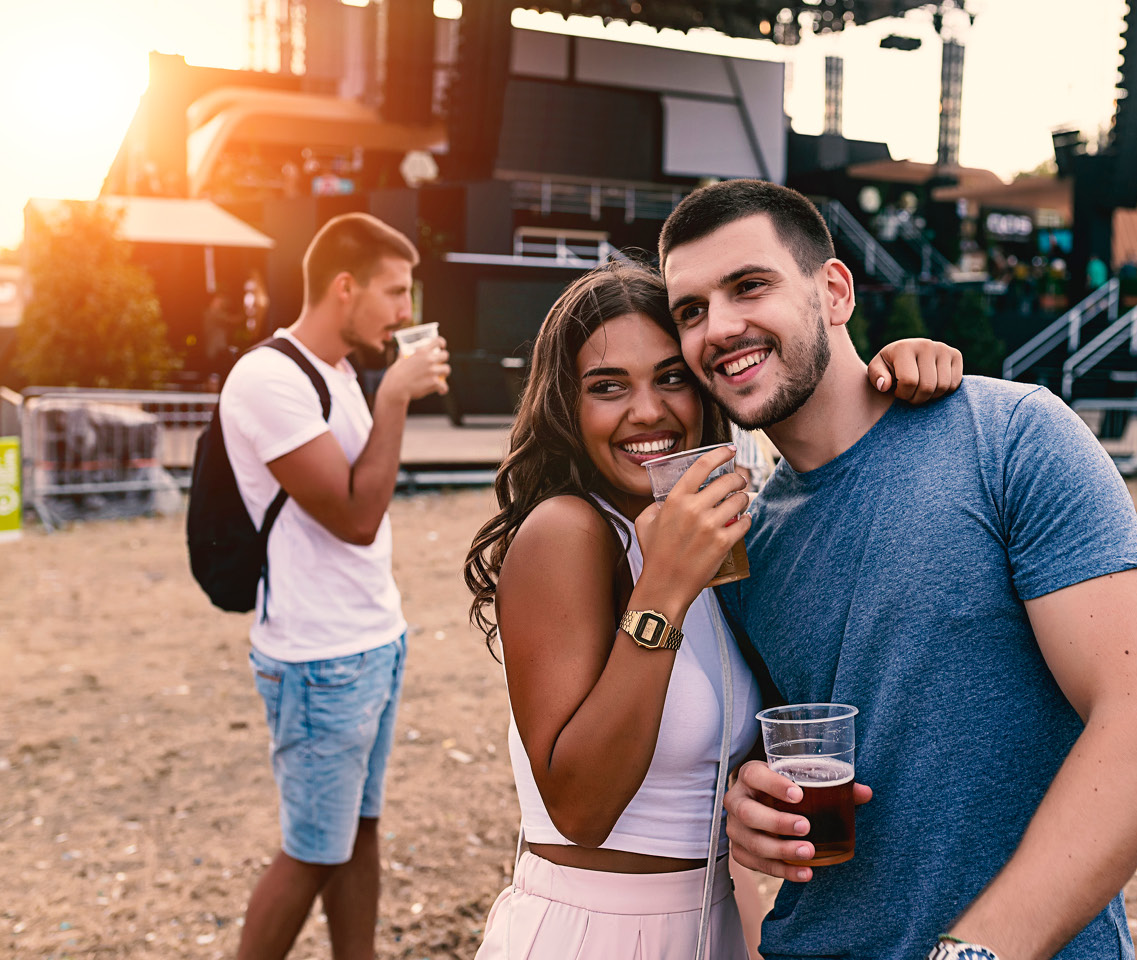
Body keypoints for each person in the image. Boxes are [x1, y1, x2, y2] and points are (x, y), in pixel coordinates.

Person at [658, 179, 1137, 960]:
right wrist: (750, 804)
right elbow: (783, 744)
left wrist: (970, 953)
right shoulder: (740, 549)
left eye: (749, 286)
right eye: (691, 311)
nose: (720, 328)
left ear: (833, 290)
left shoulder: (1012, 436)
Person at [463, 260, 962, 960]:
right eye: (608, 388)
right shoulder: (569, 531)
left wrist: (892, 372)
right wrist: (662, 588)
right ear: (567, 409)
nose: (647, 412)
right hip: (594, 937)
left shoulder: (719, 543)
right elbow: (580, 809)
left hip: (710, 926)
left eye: (671, 378)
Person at [221, 212, 450, 960]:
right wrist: (395, 401)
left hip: (373, 640)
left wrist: (384, 393)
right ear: (343, 287)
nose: (406, 313)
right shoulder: (267, 378)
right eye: (394, 292)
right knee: (313, 850)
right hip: (317, 657)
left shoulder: (342, 373)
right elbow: (355, 516)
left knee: (359, 832)